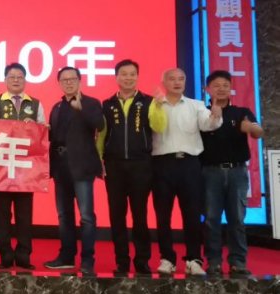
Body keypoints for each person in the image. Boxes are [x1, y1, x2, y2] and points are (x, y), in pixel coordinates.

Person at [98, 59, 167, 275]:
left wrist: (159, 105)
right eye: (124, 74)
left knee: (140, 215)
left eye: (132, 74)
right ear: (116, 77)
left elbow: (159, 126)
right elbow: (102, 135)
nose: (128, 78)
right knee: (117, 215)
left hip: (141, 165)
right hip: (114, 166)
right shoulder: (107, 104)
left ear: (137, 77)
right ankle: (122, 261)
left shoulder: (148, 101)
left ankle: (142, 260)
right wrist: (99, 160)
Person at [152, 68, 222, 276]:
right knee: (162, 215)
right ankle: (167, 259)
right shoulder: (155, 105)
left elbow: (208, 124)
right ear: (164, 82)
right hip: (161, 165)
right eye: (172, 79)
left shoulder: (196, 105)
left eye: (181, 79)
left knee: (192, 214)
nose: (177, 82)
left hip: (189, 165)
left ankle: (194, 259)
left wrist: (216, 116)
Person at [201, 70, 263, 276]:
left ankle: (238, 262)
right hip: (210, 173)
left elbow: (258, 132)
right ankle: (214, 262)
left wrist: (251, 128)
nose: (221, 89)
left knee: (237, 218)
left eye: (225, 85)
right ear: (207, 89)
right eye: (216, 86)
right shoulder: (202, 113)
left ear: (231, 89)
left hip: (237, 172)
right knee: (211, 218)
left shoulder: (241, 112)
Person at [44, 67, 103, 276]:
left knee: (86, 216)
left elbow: (99, 124)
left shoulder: (91, 103)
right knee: (64, 215)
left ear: (79, 81)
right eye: (64, 79)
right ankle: (66, 257)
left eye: (72, 79)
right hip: (60, 166)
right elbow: (52, 136)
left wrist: (81, 109)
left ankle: (87, 260)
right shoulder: (57, 107)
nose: (68, 82)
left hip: (81, 166)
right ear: (59, 83)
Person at [0, 62, 46, 270]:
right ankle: (5, 254)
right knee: (1, 215)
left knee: (24, 215)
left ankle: (23, 255)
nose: (16, 80)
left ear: (25, 80)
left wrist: (38, 127)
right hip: (0, 169)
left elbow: (43, 132)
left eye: (20, 77)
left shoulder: (35, 104)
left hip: (25, 169)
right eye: (12, 77)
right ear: (5, 80)